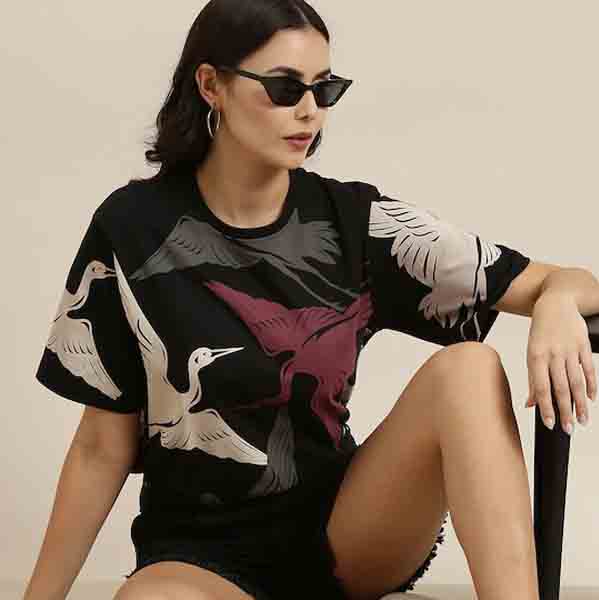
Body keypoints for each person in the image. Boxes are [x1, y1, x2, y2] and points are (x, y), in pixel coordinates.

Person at [26, 1, 535, 599]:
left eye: (325, 89)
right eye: (285, 87)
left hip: (346, 531)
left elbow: (560, 282)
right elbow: (99, 446)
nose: (310, 110)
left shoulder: (353, 220)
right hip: (199, 555)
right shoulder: (133, 228)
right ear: (211, 85)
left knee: (470, 367)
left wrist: (553, 306)